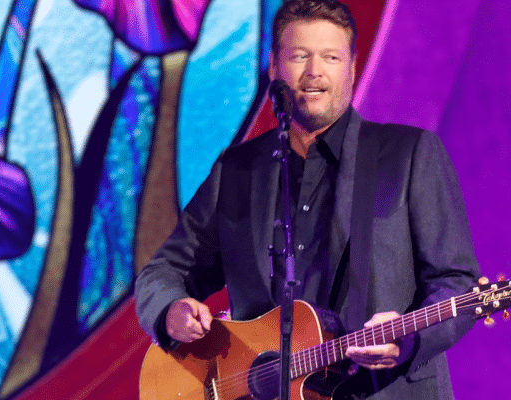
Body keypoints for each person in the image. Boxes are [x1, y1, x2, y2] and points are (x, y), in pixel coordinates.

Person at [135, 0, 480, 398]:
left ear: (351, 69)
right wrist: (170, 310)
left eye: (330, 57)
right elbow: (165, 271)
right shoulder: (237, 171)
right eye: (299, 56)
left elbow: (457, 284)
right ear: (273, 68)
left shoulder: (410, 154)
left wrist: (408, 341)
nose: (314, 72)